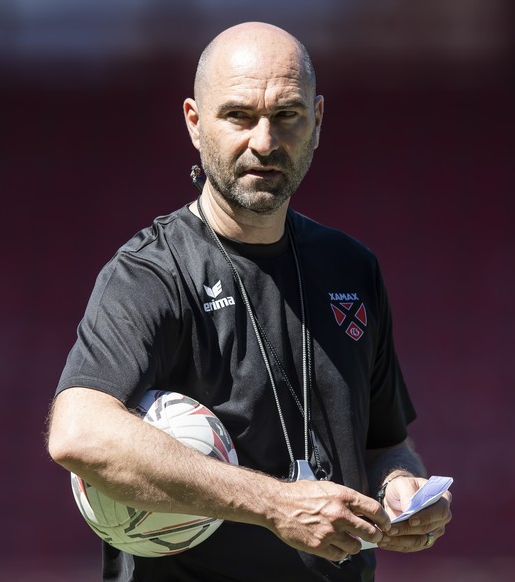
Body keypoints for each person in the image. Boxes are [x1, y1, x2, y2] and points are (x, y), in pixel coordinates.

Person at [47, 21, 452, 582]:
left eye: (287, 115)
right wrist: (274, 504)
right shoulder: (150, 273)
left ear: (317, 122)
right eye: (238, 115)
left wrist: (403, 489)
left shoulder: (352, 267)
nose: (264, 141)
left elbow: (386, 444)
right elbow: (79, 433)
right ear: (194, 123)